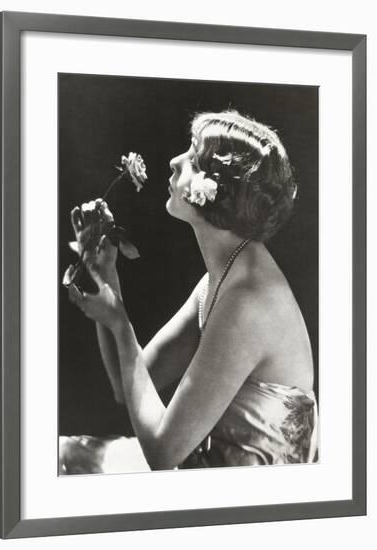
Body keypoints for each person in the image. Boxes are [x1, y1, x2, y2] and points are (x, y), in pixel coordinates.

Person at [61, 109, 318, 472]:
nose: (173, 161)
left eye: (193, 160)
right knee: (60, 458)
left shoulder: (248, 300)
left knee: (64, 465)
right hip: (210, 471)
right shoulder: (223, 274)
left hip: (255, 499)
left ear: (220, 194)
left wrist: (119, 323)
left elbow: (164, 454)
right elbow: (127, 384)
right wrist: (107, 278)